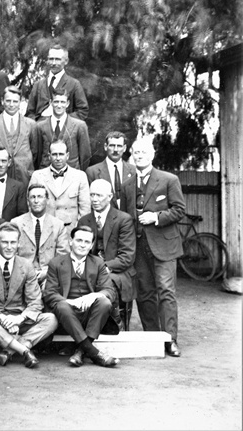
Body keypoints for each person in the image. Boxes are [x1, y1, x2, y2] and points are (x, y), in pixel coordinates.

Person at [122, 139, 185, 356]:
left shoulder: (169, 180)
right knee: (144, 293)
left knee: (166, 291)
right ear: (132, 155)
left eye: (143, 152)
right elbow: (126, 218)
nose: (139, 156)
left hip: (164, 246)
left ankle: (170, 339)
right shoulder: (127, 185)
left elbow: (179, 210)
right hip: (138, 247)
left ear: (152, 154)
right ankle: (152, 337)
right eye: (136, 152)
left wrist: (156, 217)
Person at [0, 222, 57, 368]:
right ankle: (24, 351)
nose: (9, 247)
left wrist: (19, 319)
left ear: (19, 243)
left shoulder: (26, 265)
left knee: (51, 319)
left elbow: (35, 302)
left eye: (13, 242)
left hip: (19, 318)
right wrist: (2, 318)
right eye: (4, 242)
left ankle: (8, 352)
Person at [43, 225, 120, 367]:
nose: (82, 245)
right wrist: (69, 302)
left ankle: (80, 351)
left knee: (104, 302)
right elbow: (49, 293)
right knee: (61, 305)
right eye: (79, 240)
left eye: (87, 242)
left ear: (91, 246)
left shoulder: (98, 263)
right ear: (70, 241)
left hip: (90, 316)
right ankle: (94, 353)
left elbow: (109, 291)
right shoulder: (56, 263)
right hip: (66, 317)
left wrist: (94, 296)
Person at [77, 179, 136, 329]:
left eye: (99, 195)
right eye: (92, 195)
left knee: (108, 281)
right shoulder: (84, 220)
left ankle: (115, 323)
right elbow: (79, 252)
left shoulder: (123, 220)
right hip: (90, 270)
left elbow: (127, 257)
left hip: (117, 272)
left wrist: (102, 268)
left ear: (110, 197)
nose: (94, 199)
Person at [11, 183, 69, 284]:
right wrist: (27, 272)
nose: (36, 201)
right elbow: (12, 253)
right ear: (28, 201)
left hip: (50, 275)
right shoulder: (16, 223)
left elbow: (63, 256)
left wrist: (47, 272)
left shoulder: (58, 225)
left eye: (40, 197)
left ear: (47, 200)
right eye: (32, 197)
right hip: (21, 274)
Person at [29, 139, 90, 234]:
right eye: (54, 154)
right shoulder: (37, 176)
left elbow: (85, 208)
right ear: (49, 156)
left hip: (70, 230)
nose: (58, 158)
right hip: (44, 229)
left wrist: (77, 231)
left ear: (67, 156)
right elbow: (30, 204)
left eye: (61, 154)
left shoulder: (80, 176)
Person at [0, 86, 39, 187]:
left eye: (15, 101)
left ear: (20, 102)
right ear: (2, 101)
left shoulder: (31, 124)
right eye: (8, 101)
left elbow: (34, 151)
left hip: (24, 176)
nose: (11, 104)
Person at [25, 44, 89, 121]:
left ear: (66, 61)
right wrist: (37, 124)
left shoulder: (74, 84)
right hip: (40, 127)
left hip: (64, 127)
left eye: (57, 59)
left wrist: (62, 121)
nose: (53, 63)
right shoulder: (38, 85)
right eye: (51, 59)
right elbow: (30, 113)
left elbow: (82, 111)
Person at [35, 90, 90, 171]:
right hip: (47, 172)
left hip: (71, 173)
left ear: (67, 103)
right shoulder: (40, 126)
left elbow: (85, 156)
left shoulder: (79, 126)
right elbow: (38, 154)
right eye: (56, 102)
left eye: (62, 102)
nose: (59, 105)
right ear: (51, 103)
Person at [86, 131, 136, 211]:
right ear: (105, 147)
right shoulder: (92, 172)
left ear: (124, 148)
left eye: (119, 146)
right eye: (112, 146)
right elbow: (89, 202)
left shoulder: (134, 171)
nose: (115, 150)